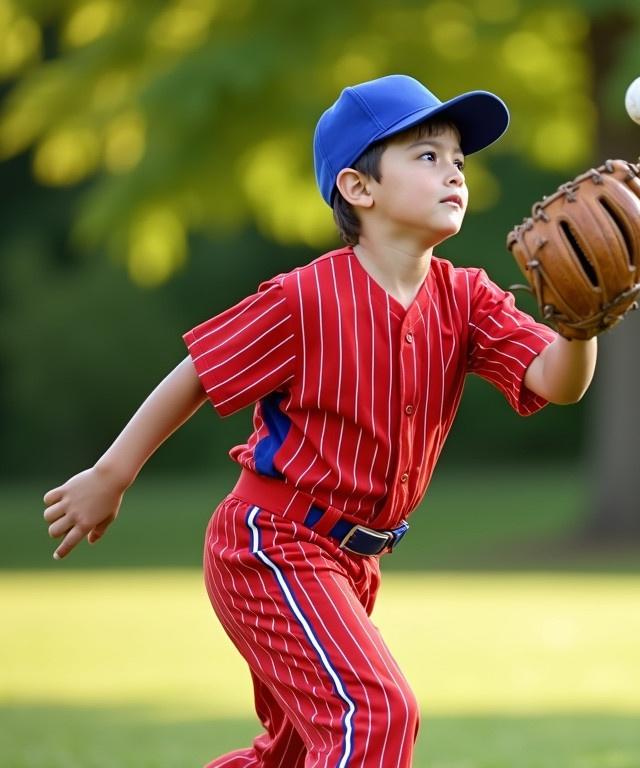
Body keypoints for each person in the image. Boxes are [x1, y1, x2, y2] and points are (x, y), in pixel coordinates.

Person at [42, 74, 597, 767]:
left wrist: (581, 326)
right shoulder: (304, 299)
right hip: (270, 546)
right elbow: (198, 372)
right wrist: (111, 474)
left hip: (350, 563)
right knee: (375, 714)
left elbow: (555, 381)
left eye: (458, 159)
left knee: (295, 752)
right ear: (359, 189)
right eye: (426, 156)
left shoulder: (469, 299)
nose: (453, 170)